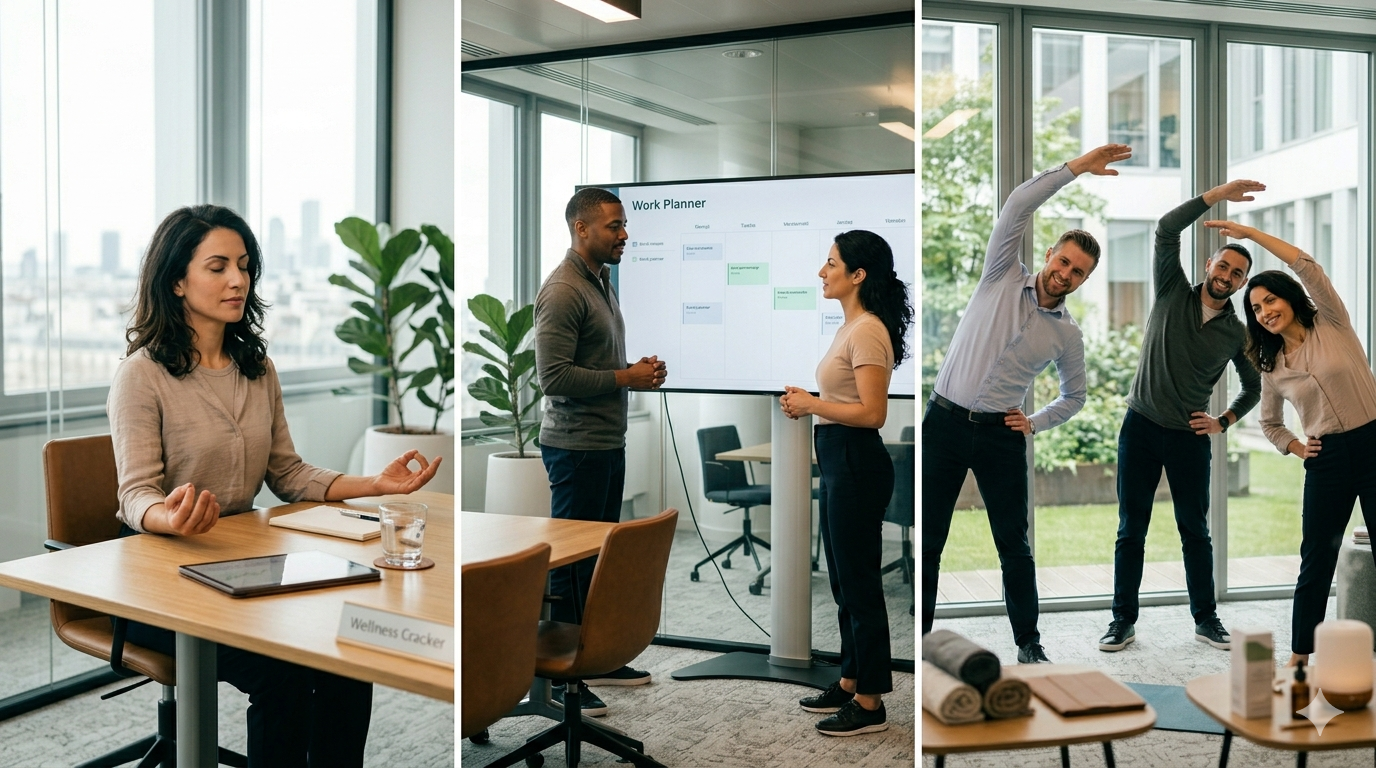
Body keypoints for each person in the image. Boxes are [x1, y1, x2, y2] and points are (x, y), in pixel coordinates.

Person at [108, 204, 441, 767]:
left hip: (241, 566)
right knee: (283, 677)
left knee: (348, 655)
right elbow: (134, 493)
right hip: (157, 584)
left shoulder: (255, 365)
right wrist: (170, 516)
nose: (237, 279)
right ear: (176, 281)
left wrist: (373, 483)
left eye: (243, 265)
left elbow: (288, 474)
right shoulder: (142, 374)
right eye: (217, 266)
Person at [922, 144, 1132, 664]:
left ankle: (1028, 642)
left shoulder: (1068, 336)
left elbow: (1076, 395)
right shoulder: (999, 275)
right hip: (944, 423)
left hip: (1000, 436)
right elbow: (1017, 205)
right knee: (929, 541)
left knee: (1013, 546)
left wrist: (1033, 423)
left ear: (1084, 280)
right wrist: (1076, 169)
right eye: (1063, 261)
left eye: (1078, 271)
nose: (1066, 273)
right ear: (1048, 256)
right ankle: (922, 641)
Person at [1099, 181, 1265, 655]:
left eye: (1238, 274)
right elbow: (1167, 228)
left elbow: (1253, 387)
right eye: (1224, 266)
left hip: (1190, 439)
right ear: (1210, 264)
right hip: (1142, 427)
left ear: (1240, 284)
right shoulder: (1171, 288)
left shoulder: (1237, 333)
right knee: (1132, 529)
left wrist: (1223, 421)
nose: (1228, 276)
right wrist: (1219, 195)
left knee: (1196, 531)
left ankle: (1206, 620)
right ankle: (1121, 622)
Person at [1206, 218, 1376, 668]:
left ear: (1289, 297)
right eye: (1256, 307)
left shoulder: (1331, 322)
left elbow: (1306, 264)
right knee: (1315, 559)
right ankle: (1301, 655)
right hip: (1328, 459)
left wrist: (1251, 234)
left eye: (1270, 299)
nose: (1264, 311)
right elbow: (1270, 423)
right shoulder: (1271, 364)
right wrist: (1296, 447)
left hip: (1374, 441)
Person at [533, 187, 667, 716]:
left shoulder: (600, 280)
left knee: (597, 560)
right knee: (570, 564)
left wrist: (635, 372)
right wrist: (623, 377)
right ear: (580, 228)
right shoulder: (564, 289)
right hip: (575, 447)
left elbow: (594, 360)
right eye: (613, 226)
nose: (624, 234)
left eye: (624, 224)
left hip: (606, 441)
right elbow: (552, 377)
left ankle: (595, 659)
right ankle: (565, 678)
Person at [779, 229, 912, 737]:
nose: (821, 271)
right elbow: (851, 401)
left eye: (830, 263)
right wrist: (813, 401)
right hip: (840, 462)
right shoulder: (851, 327)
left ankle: (871, 704)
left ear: (858, 275)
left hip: (857, 462)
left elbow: (873, 414)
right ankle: (851, 678)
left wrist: (812, 404)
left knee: (859, 586)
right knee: (843, 583)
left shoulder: (868, 331)